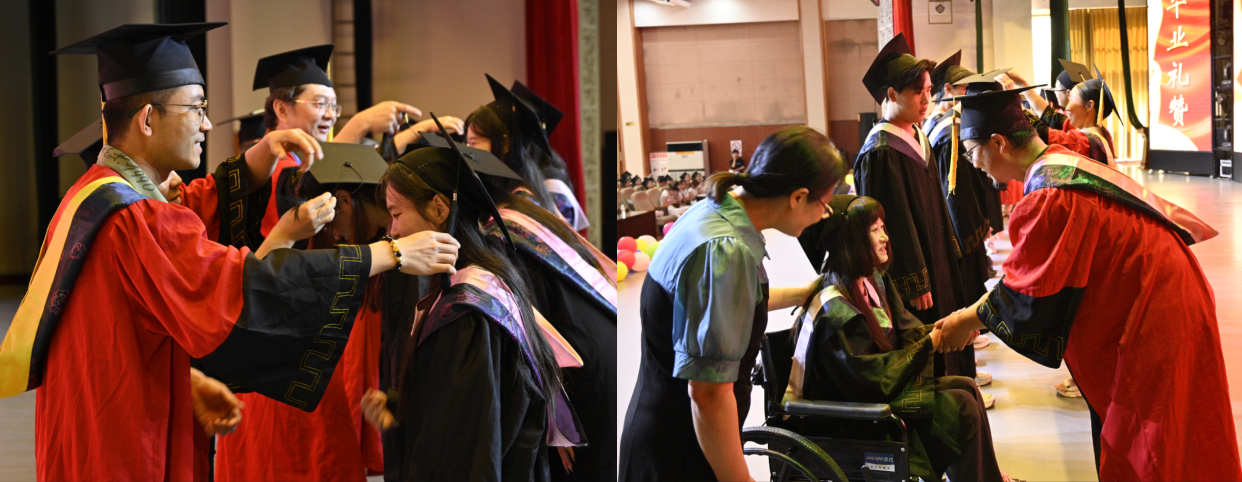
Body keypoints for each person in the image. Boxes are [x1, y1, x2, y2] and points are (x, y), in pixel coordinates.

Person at [1, 23, 461, 482]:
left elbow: (188, 211)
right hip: (124, 437)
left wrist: (258, 158)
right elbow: (242, 283)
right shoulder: (134, 220)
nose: (206, 123)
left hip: (98, 414)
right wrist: (389, 253)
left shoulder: (96, 194)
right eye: (196, 108)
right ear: (147, 119)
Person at [931, 86, 1242, 481]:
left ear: (998, 143)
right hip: (1162, 290)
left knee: (1153, 441)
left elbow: (1024, 294)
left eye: (972, 153)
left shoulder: (1049, 196)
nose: (973, 164)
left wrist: (963, 320)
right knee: (1175, 429)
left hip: (1156, 310)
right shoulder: (1058, 164)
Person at [619, 125, 844, 481]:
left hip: (671, 433)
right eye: (825, 205)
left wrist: (803, 292)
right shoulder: (725, 250)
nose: (823, 214)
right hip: (680, 451)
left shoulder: (715, 210)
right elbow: (708, 394)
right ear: (798, 197)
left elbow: (724, 308)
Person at [359, 145, 584, 481]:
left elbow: (466, 448)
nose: (392, 232)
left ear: (438, 208)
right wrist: (400, 405)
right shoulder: (485, 276)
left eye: (396, 214)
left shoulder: (466, 314)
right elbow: (462, 402)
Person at [785, 195, 1007, 482]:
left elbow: (905, 330)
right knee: (960, 407)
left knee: (967, 387)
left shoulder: (873, 280)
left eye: (883, 227)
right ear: (853, 239)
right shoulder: (835, 311)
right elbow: (871, 379)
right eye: (875, 230)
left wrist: (944, 331)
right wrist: (933, 340)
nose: (885, 237)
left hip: (878, 395)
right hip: (853, 416)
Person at [214, 144, 392, 482]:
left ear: (345, 201)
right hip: (294, 390)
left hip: (307, 387)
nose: (333, 233)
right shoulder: (327, 248)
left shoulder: (390, 249)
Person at [852, 34, 976, 384]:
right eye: (917, 92)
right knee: (927, 339)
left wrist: (951, 255)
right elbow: (889, 226)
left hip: (937, 258)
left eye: (929, 90)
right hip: (914, 275)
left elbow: (937, 203)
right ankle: (940, 399)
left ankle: (960, 389)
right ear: (891, 94)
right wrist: (914, 280)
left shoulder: (918, 136)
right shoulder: (880, 150)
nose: (927, 100)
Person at [1006, 61, 1117, 167]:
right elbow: (1051, 117)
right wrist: (1021, 83)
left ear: (1089, 105)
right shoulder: (1093, 131)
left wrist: (1014, 102)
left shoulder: (1085, 142)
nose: (1067, 107)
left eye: (1072, 99)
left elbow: (1041, 133)